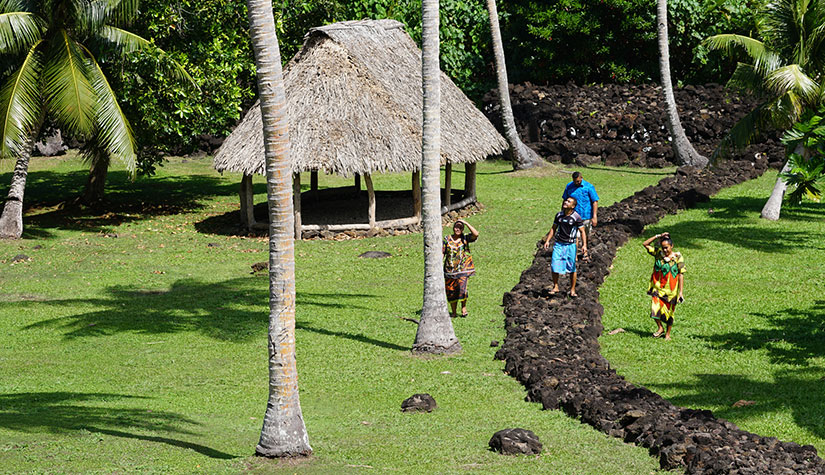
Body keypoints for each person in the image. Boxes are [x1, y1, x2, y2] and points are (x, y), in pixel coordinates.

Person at [642, 232, 685, 341]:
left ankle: (667, 334)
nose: (665, 250)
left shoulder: (678, 257)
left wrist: (680, 292)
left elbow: (681, 274)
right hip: (657, 288)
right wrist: (658, 236)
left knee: (669, 314)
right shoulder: (658, 254)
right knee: (655, 310)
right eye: (663, 247)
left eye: (667, 248)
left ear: (672, 246)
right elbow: (645, 244)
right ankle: (660, 328)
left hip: (671, 291)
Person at [543, 197, 587, 298]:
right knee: (554, 264)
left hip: (570, 245)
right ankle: (555, 286)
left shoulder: (576, 217)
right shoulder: (559, 215)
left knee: (572, 268)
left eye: (568, 202)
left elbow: (582, 231)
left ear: (573, 206)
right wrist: (548, 240)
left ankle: (572, 289)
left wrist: (584, 245)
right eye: (565, 201)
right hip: (558, 244)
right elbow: (553, 228)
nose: (565, 202)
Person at [443, 219, 478, 318]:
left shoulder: (465, 239)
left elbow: (476, 234)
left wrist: (466, 223)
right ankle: (453, 312)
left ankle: (463, 308)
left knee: (462, 289)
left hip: (463, 269)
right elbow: (443, 252)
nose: (457, 229)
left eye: (460, 228)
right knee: (451, 291)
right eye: (456, 227)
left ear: (463, 229)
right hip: (450, 269)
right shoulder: (447, 239)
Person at [562, 171, 599, 240]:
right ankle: (576, 249)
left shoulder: (589, 187)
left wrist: (594, 216)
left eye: (578, 181)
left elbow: (595, 201)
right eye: (575, 181)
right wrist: (563, 213)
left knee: (585, 235)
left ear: (581, 178)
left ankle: (584, 247)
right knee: (575, 236)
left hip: (586, 216)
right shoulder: (569, 186)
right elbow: (565, 200)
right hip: (573, 216)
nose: (576, 183)